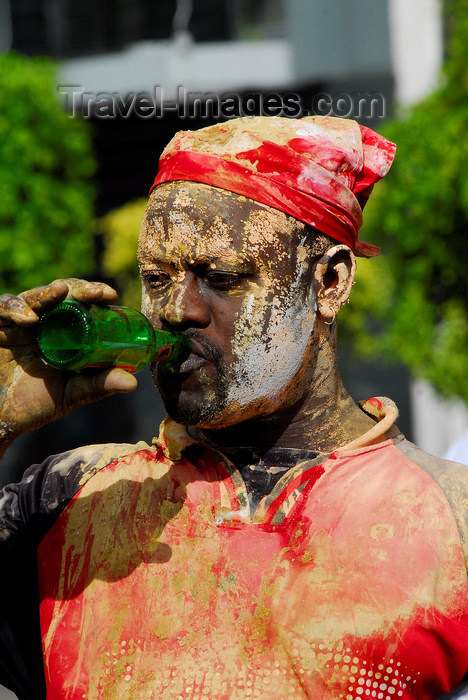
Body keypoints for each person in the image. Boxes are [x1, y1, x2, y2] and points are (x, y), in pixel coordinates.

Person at [0, 116, 467, 700]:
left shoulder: (453, 523)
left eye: (221, 277)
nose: (177, 309)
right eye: (156, 276)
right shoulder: (69, 499)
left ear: (330, 282)